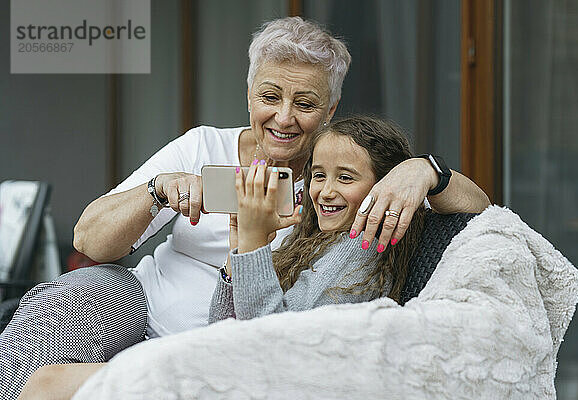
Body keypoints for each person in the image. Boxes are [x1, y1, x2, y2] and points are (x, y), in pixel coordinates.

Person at [3, 17, 490, 400]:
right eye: (270, 97)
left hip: (231, 344)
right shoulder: (203, 145)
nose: (283, 117)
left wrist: (427, 170)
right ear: (249, 93)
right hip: (143, 308)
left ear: (331, 109)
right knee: (79, 297)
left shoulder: (343, 183)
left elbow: (480, 209)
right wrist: (158, 189)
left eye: (305, 103)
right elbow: (88, 240)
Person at [209, 116, 426, 324]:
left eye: (345, 177)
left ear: (385, 187)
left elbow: (270, 341)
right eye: (319, 175)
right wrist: (238, 252)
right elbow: (222, 331)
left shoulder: (360, 247)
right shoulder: (321, 240)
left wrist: (253, 241)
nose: (326, 192)